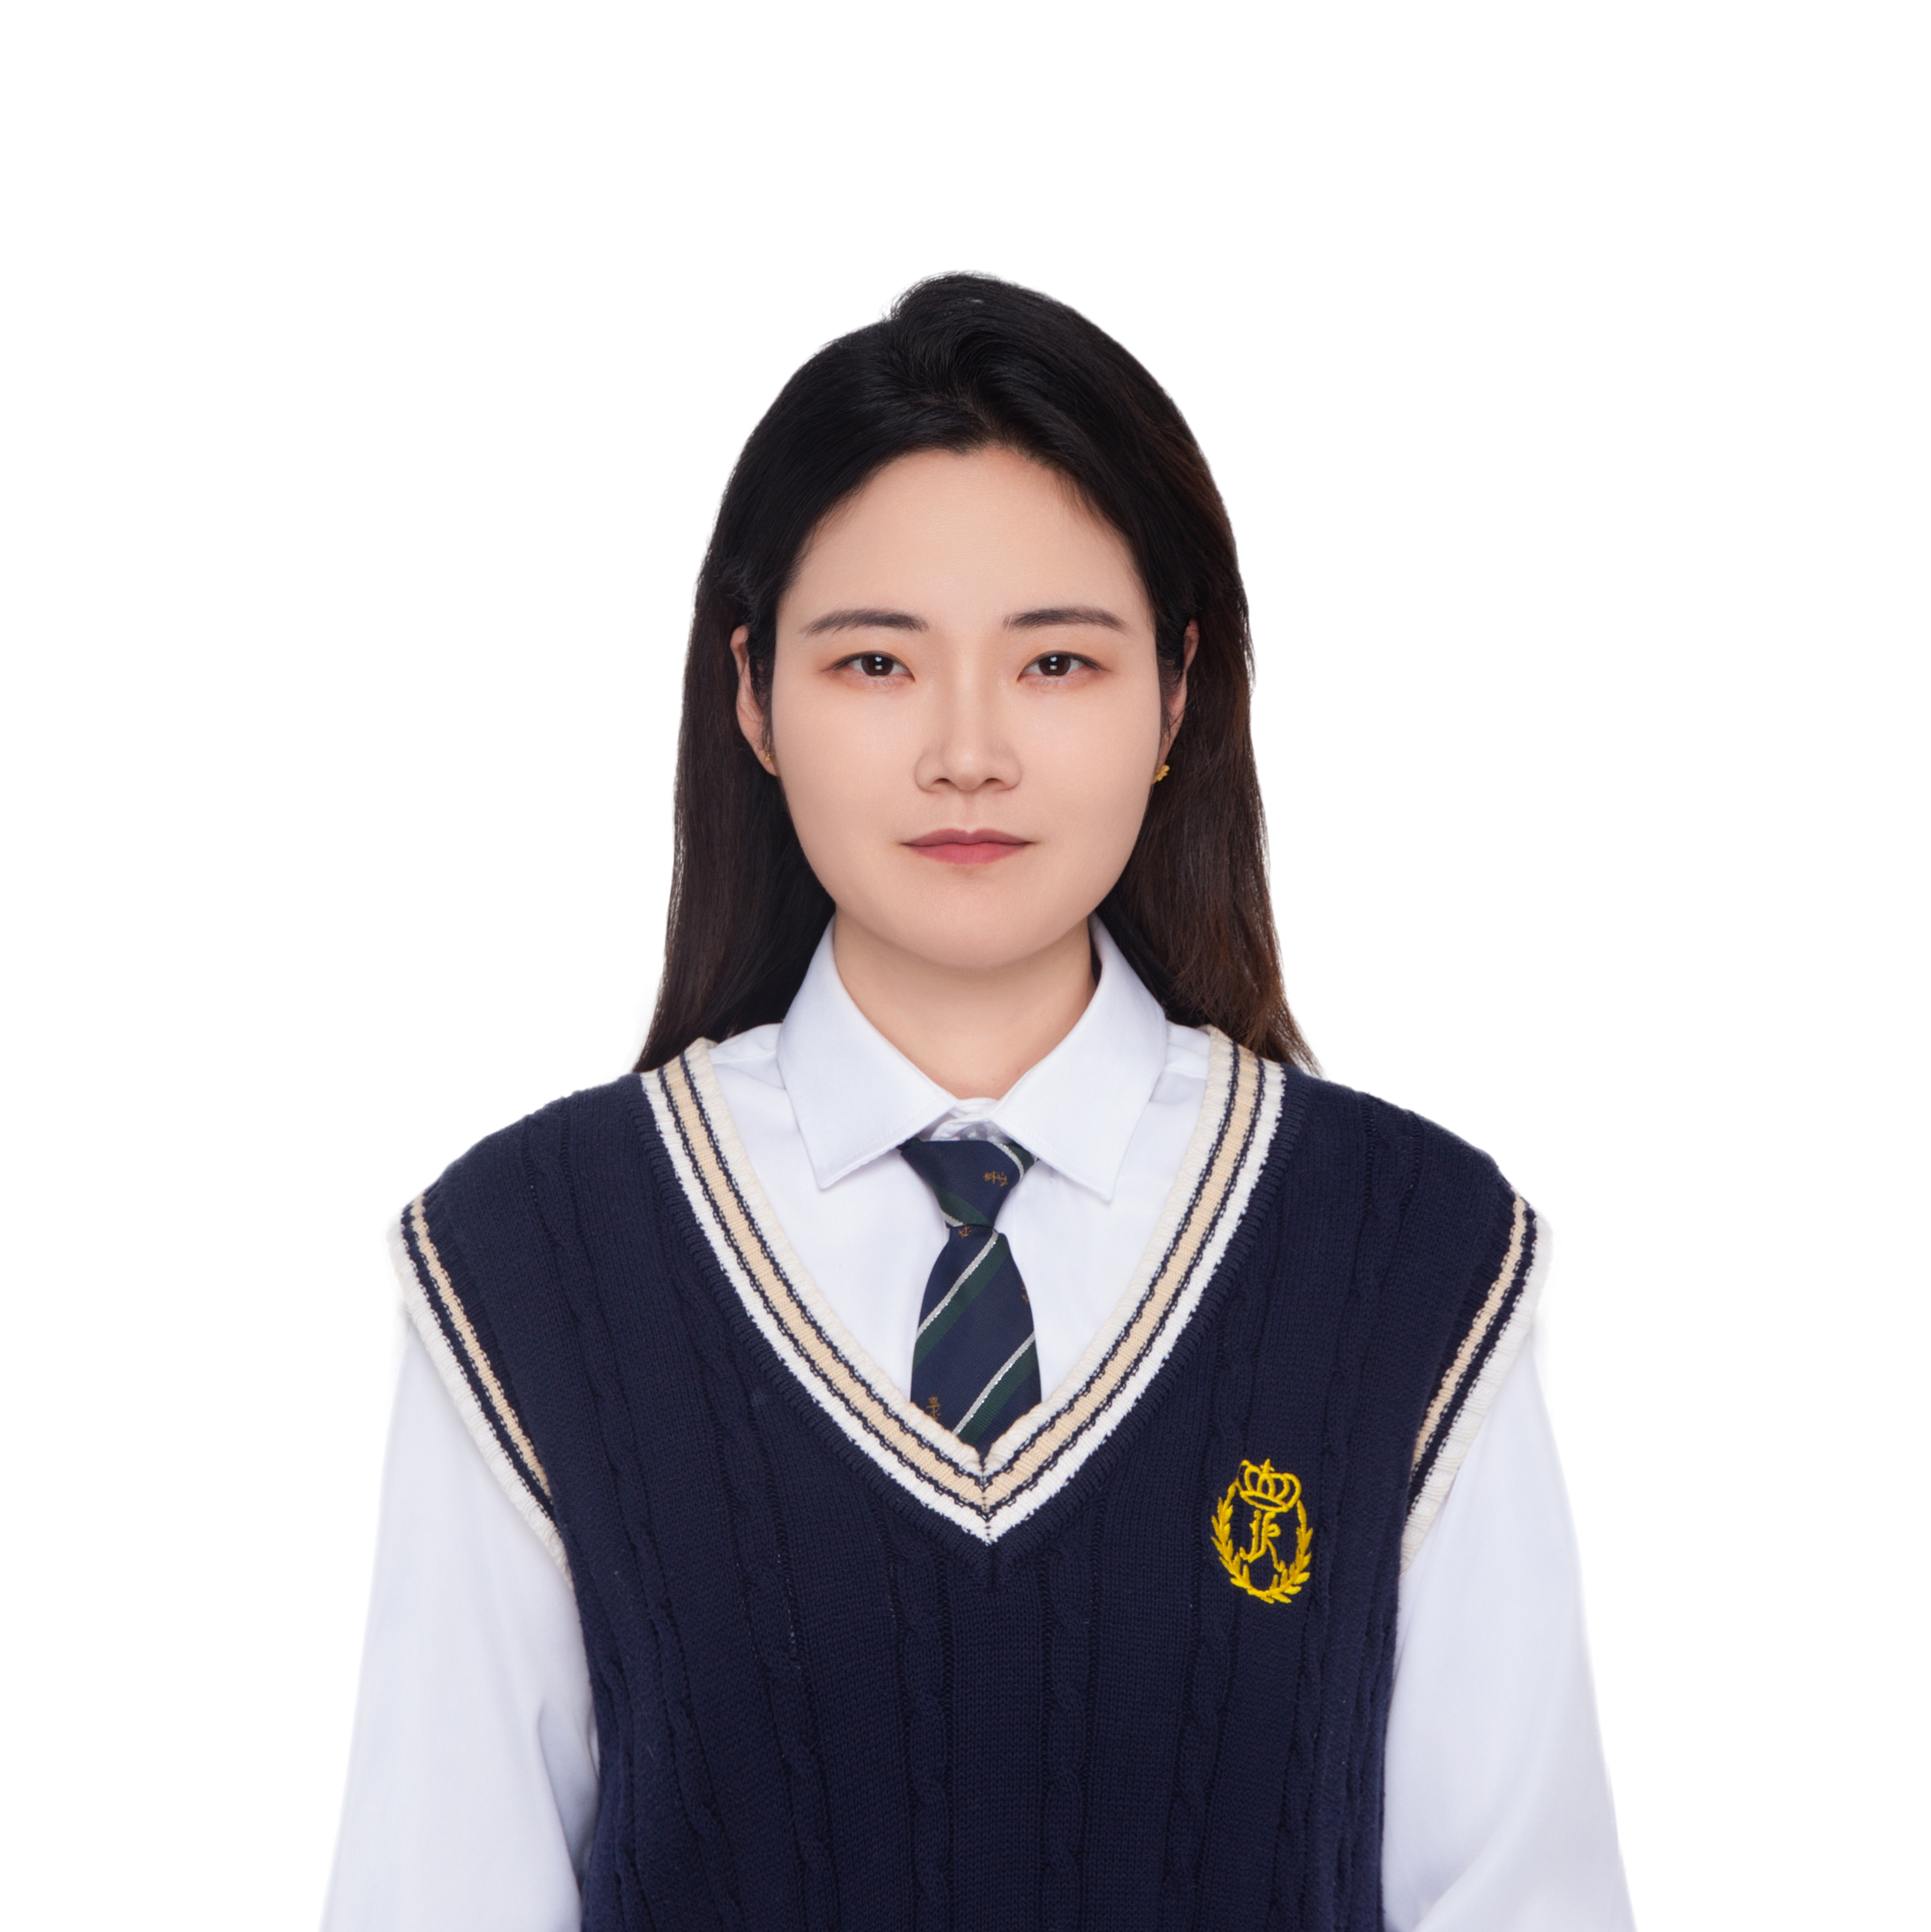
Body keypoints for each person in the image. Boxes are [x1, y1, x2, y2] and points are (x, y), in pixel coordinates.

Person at [323, 275, 1635, 1931]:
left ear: (1176, 694)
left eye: (1056, 663)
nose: (966, 753)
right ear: (752, 695)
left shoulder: (1407, 1259)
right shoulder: (531, 1265)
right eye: (876, 661)